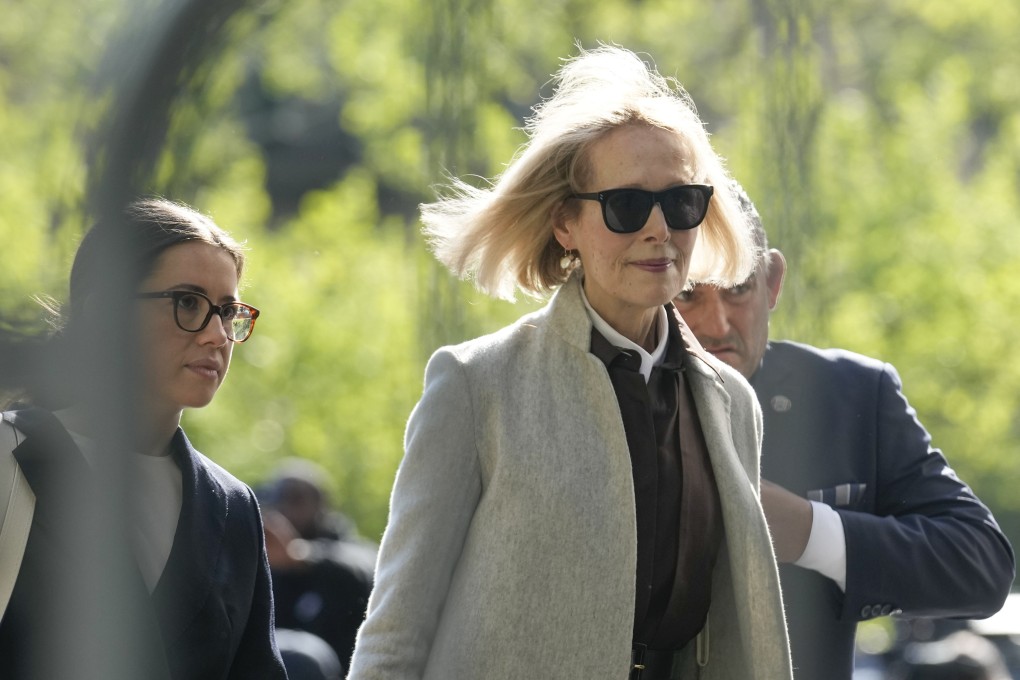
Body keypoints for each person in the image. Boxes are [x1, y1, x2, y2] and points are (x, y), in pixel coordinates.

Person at [346, 45, 792, 680]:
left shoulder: (731, 402)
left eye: (683, 202)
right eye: (627, 206)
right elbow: (396, 629)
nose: (660, 230)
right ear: (564, 223)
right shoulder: (476, 385)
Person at [673, 182, 1015, 680]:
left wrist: (812, 532)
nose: (717, 322)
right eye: (688, 295)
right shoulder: (604, 399)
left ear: (771, 282)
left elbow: (981, 566)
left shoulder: (851, 393)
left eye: (738, 287)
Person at [0, 198, 288, 679]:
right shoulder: (9, 458)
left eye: (228, 311)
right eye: (189, 303)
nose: (217, 335)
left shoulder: (234, 506)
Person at [260, 458, 376, 672]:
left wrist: (300, 556)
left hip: (344, 671)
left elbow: (362, 566)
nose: (284, 507)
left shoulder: (347, 551)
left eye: (295, 499)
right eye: (277, 499)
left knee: (304, 657)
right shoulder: (271, 569)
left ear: (321, 503)